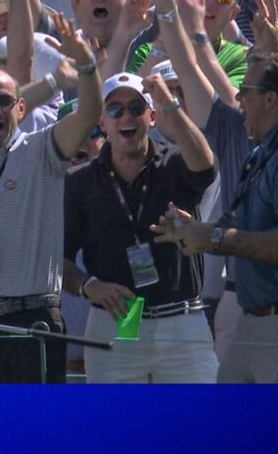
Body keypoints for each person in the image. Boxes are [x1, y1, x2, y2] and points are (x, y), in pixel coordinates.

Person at [155, 52, 278, 383]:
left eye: (246, 88)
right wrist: (200, 230)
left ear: (270, 99)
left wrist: (213, 238)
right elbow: (242, 225)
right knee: (235, 430)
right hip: (256, 324)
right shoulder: (267, 151)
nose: (239, 97)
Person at [0, 13, 101, 384]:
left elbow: (90, 113)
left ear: (21, 108)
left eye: (4, 101)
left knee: (32, 439)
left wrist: (85, 64)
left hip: (33, 318)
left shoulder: (42, 148)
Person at [63, 72, 219, 383]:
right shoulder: (79, 181)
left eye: (136, 107)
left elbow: (206, 167)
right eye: (115, 109)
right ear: (102, 122)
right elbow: (59, 259)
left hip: (182, 318)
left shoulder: (176, 164)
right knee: (117, 427)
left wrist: (168, 102)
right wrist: (89, 285)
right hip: (116, 318)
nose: (126, 116)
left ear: (151, 116)